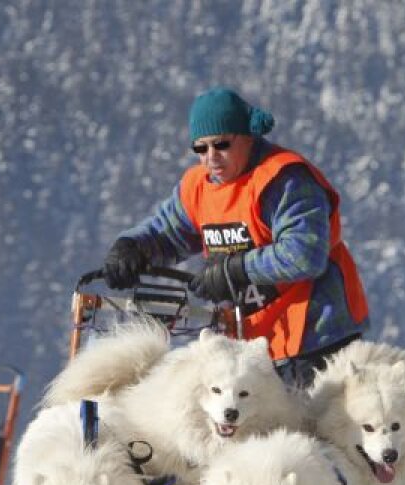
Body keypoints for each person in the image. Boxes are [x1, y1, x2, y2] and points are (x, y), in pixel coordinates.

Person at [102, 87, 370, 388]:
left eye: (222, 145)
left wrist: (235, 269)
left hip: (317, 338)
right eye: (200, 149)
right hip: (254, 345)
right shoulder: (197, 187)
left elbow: (305, 253)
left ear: (247, 137)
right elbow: (166, 233)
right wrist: (133, 247)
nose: (211, 158)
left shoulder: (283, 180)